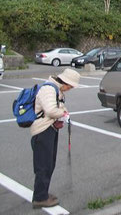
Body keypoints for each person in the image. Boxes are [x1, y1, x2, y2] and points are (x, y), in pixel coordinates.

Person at [30, 68, 80, 208]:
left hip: (49, 130)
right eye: (70, 86)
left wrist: (63, 112)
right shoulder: (49, 89)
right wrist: (63, 112)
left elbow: (55, 108)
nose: (70, 89)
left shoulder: (57, 90)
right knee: (43, 165)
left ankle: (43, 193)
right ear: (65, 82)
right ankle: (39, 198)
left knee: (49, 164)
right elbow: (51, 110)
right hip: (42, 131)